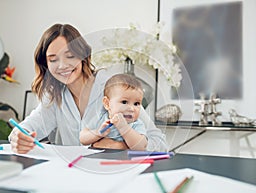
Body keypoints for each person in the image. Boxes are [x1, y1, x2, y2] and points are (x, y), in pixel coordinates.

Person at [8, 23, 167, 154]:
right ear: (46, 64)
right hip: (69, 176)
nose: (62, 65)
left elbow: (159, 143)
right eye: (53, 59)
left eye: (70, 56)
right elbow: (26, 129)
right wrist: (17, 136)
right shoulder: (53, 95)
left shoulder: (113, 89)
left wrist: (122, 146)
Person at [80, 74, 147, 150]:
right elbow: (82, 138)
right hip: (99, 160)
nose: (131, 109)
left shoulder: (136, 124)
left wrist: (124, 128)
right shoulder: (100, 119)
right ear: (107, 104)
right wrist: (98, 133)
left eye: (136, 104)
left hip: (125, 161)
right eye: (124, 102)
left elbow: (141, 147)